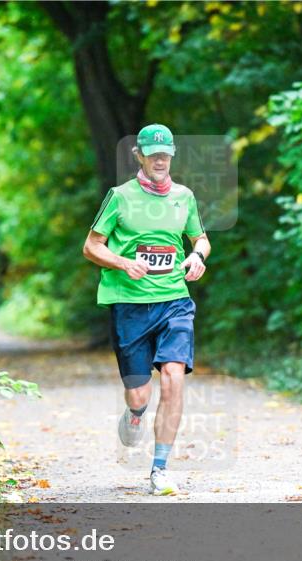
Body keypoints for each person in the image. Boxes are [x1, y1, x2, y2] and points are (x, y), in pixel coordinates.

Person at [82, 124, 211, 496]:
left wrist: (197, 256)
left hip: (174, 300)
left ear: (172, 155)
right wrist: (123, 263)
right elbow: (92, 247)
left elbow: (200, 238)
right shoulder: (119, 197)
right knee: (140, 394)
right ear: (138, 155)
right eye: (152, 153)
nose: (159, 159)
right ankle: (135, 412)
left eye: (165, 153)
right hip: (130, 305)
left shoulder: (184, 197)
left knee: (174, 377)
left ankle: (160, 469)